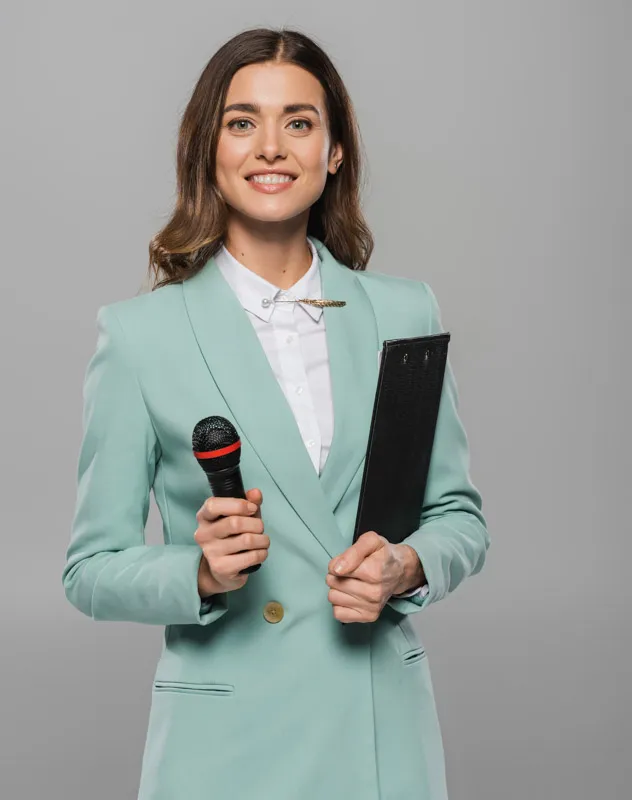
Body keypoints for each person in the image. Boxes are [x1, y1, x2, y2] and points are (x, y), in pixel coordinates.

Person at [62, 26, 490, 800]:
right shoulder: (138, 336)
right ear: (208, 151)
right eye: (241, 122)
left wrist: (406, 565)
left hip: (378, 730)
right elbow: (90, 569)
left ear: (334, 154)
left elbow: (458, 515)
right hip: (228, 742)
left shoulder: (405, 311)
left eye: (298, 122)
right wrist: (198, 570)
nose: (270, 147)